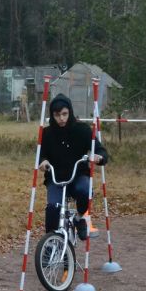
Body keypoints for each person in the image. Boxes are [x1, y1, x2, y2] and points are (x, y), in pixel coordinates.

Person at [37, 94, 108, 240]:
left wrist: (98, 157)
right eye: (57, 115)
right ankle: (50, 242)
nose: (61, 118)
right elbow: (41, 154)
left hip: (78, 175)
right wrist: (43, 161)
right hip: (55, 178)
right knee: (53, 208)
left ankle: (79, 218)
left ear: (70, 112)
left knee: (85, 191)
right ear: (52, 115)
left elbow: (101, 151)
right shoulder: (47, 133)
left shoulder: (83, 130)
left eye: (64, 114)